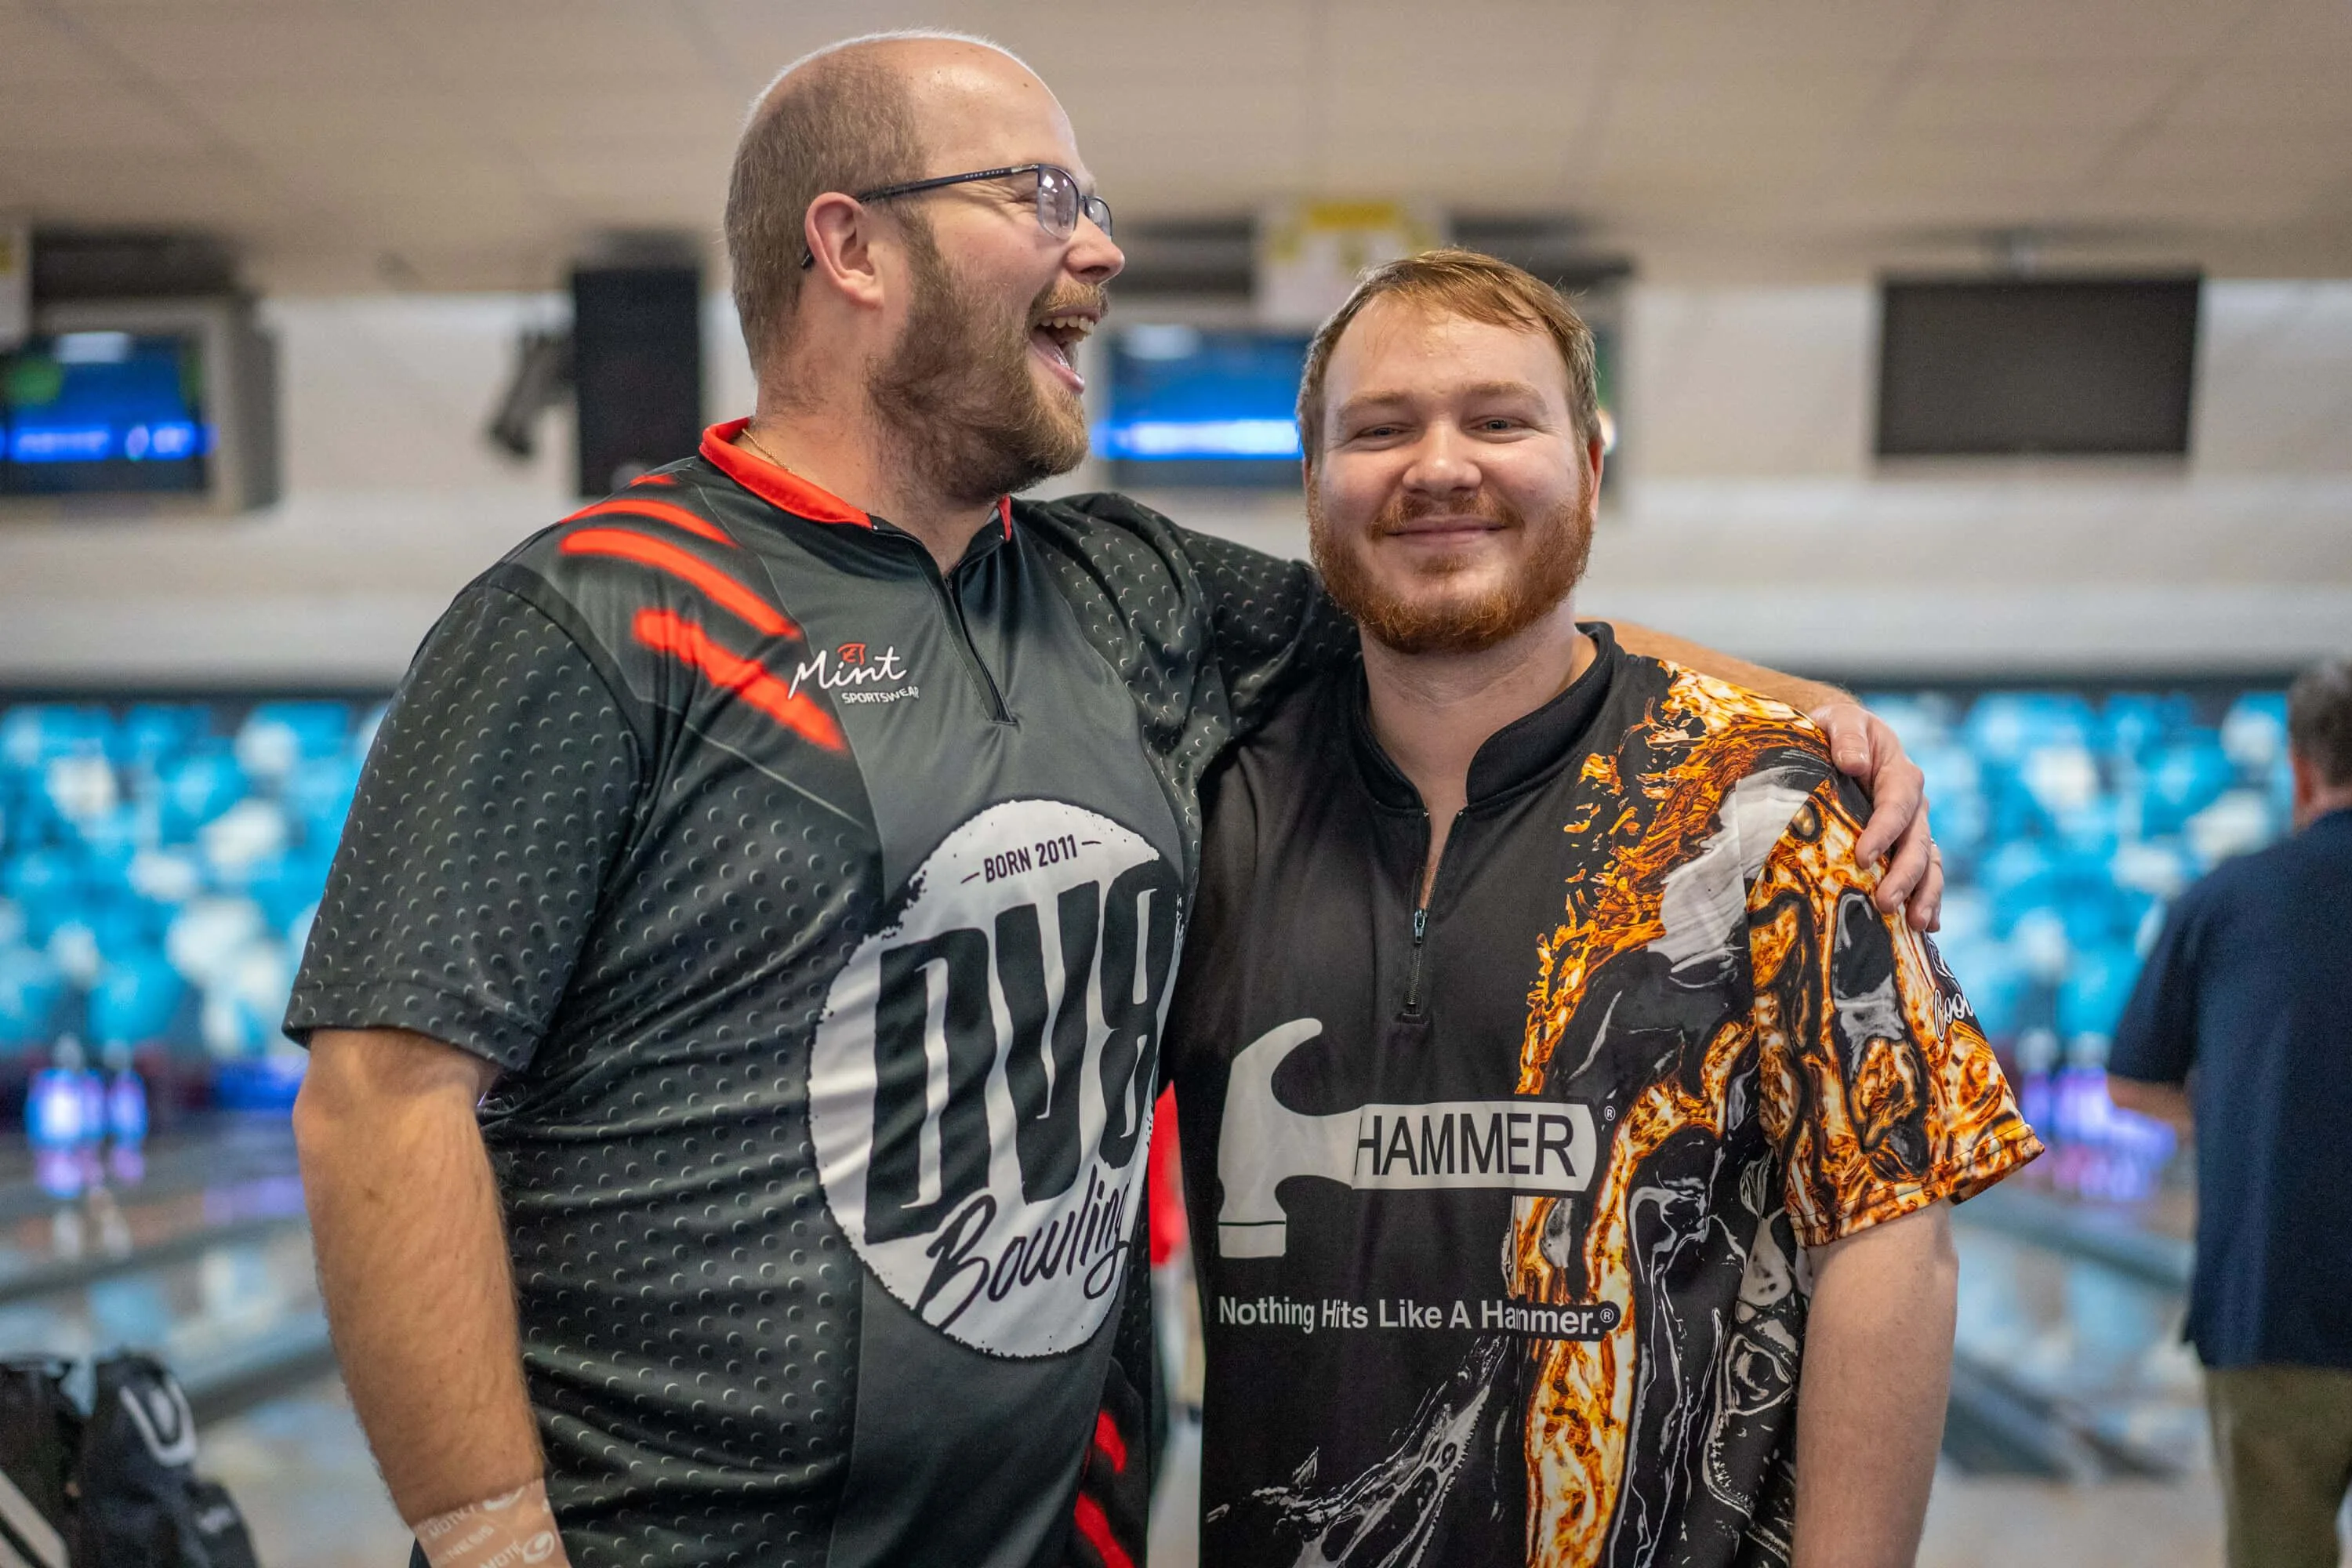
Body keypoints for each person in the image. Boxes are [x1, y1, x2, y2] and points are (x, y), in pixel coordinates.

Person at [285, 33, 1943, 1568]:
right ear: (852, 247)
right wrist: (492, 1543)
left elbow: (1467, 623)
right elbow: (381, 1098)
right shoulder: (597, 615)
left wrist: (1808, 721)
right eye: (1044, 196)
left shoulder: (1124, 592)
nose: (1104, 250)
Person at [1163, 249, 2042, 1568]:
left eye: (1498, 420)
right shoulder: (1207, 808)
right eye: (1381, 429)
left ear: (1586, 460)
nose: (1439, 466)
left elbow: (1891, 1244)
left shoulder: (1770, 814)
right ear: (1313, 479)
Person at [2108, 657, 2352, 1568]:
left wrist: (2249, 1115)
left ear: (2299, 768)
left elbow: (2130, 1082)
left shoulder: (2221, 900)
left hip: (2269, 1304)